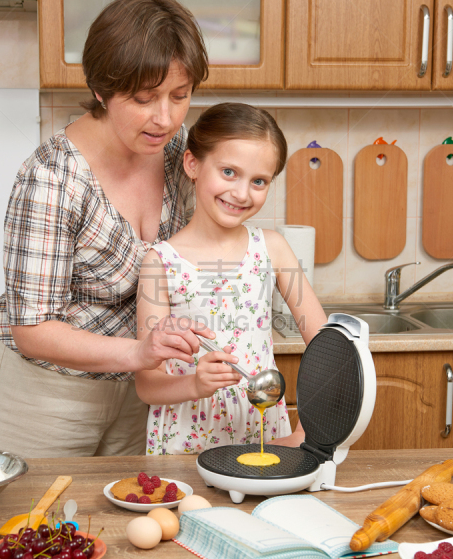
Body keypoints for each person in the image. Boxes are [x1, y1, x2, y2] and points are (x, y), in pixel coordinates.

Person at [0, 0, 212, 458]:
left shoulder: (174, 151)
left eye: (179, 96)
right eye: (144, 99)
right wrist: (141, 353)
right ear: (102, 90)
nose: (165, 117)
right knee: (31, 525)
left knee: (120, 524)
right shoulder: (52, 177)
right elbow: (33, 329)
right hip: (42, 392)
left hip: (136, 390)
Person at [136, 103, 328, 455]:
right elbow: (147, 385)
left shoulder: (273, 249)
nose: (242, 193)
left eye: (258, 181)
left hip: (263, 431)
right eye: (228, 172)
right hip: (185, 439)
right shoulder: (159, 263)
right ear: (192, 164)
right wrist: (195, 383)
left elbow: (329, 349)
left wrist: (305, 432)